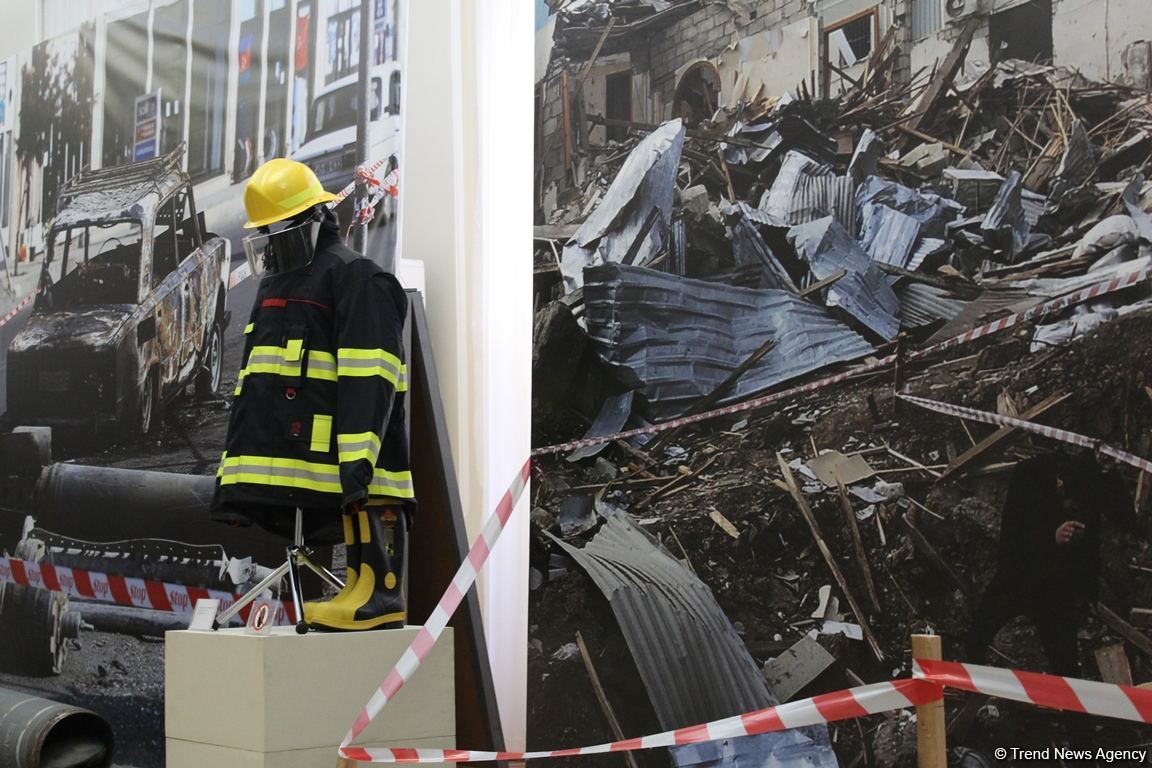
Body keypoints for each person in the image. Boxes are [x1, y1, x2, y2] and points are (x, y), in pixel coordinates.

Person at [210, 158, 414, 631]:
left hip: (354, 470)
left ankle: (378, 597)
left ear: (309, 221)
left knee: (373, 517)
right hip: (301, 474)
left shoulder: (356, 279)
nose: (271, 244)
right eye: (265, 234)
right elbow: (256, 385)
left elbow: (370, 379)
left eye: (277, 231)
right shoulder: (281, 283)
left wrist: (357, 466)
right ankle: (361, 593)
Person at [966, 448, 1138, 676]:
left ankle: (1073, 708)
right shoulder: (1028, 475)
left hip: (1057, 586)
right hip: (1017, 575)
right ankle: (966, 688)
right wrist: (1052, 537)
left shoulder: (1091, 482)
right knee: (976, 642)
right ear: (1060, 484)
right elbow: (1012, 538)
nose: (1073, 510)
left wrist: (1111, 475)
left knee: (1065, 665)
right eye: (1071, 504)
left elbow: (1127, 520)